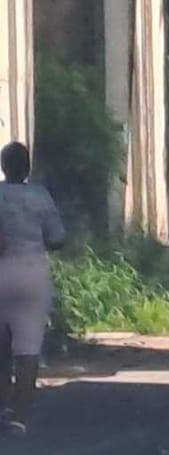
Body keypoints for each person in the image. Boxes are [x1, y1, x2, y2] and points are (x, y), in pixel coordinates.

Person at [0, 142, 65, 437]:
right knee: (27, 350)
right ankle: (19, 417)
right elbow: (57, 238)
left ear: (3, 166)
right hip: (32, 272)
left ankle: (1, 407)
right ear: (27, 167)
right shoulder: (40, 196)